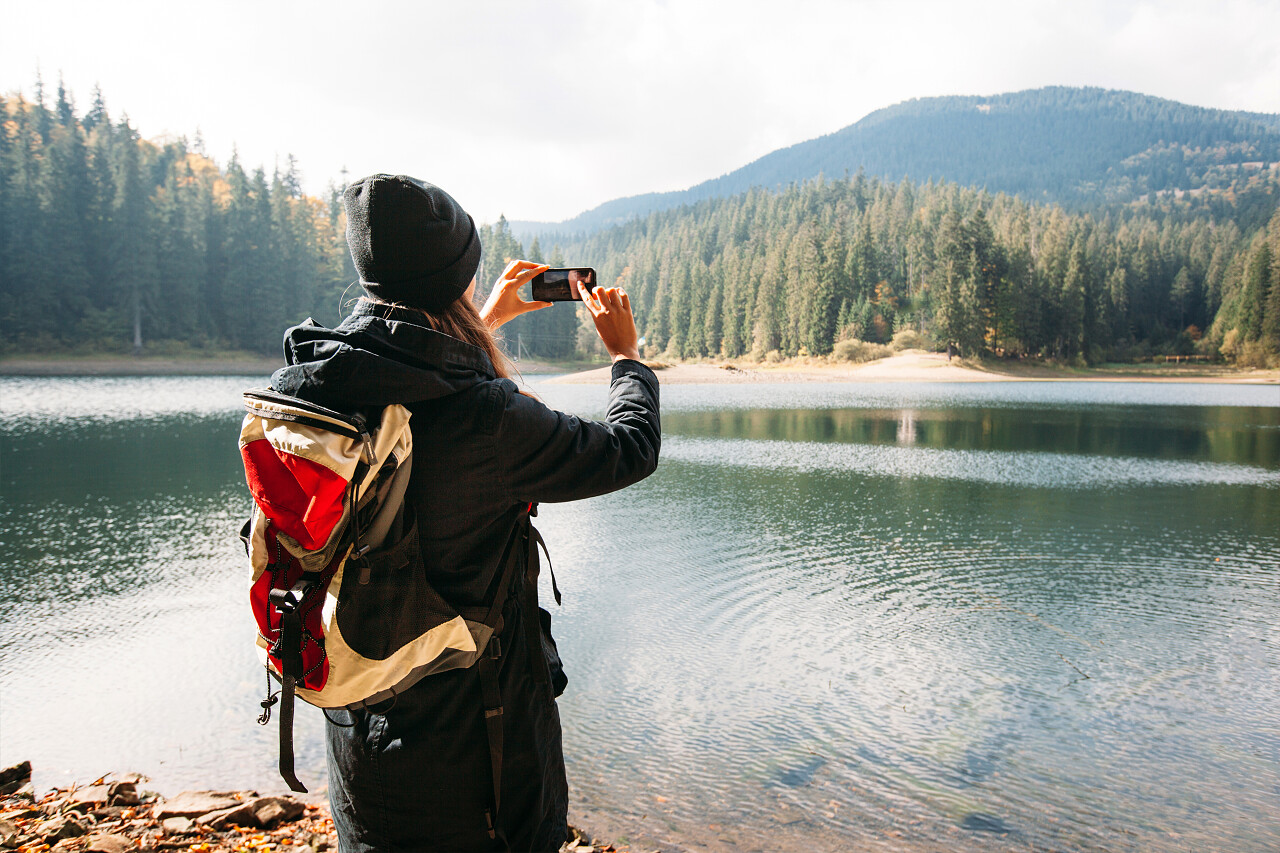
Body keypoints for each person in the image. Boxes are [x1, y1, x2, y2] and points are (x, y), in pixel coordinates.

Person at [269, 174, 661, 852]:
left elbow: (412, 369)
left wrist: (484, 322)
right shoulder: (486, 417)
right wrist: (626, 359)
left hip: (363, 752)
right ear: (457, 279)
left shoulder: (309, 391)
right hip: (481, 773)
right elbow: (629, 449)